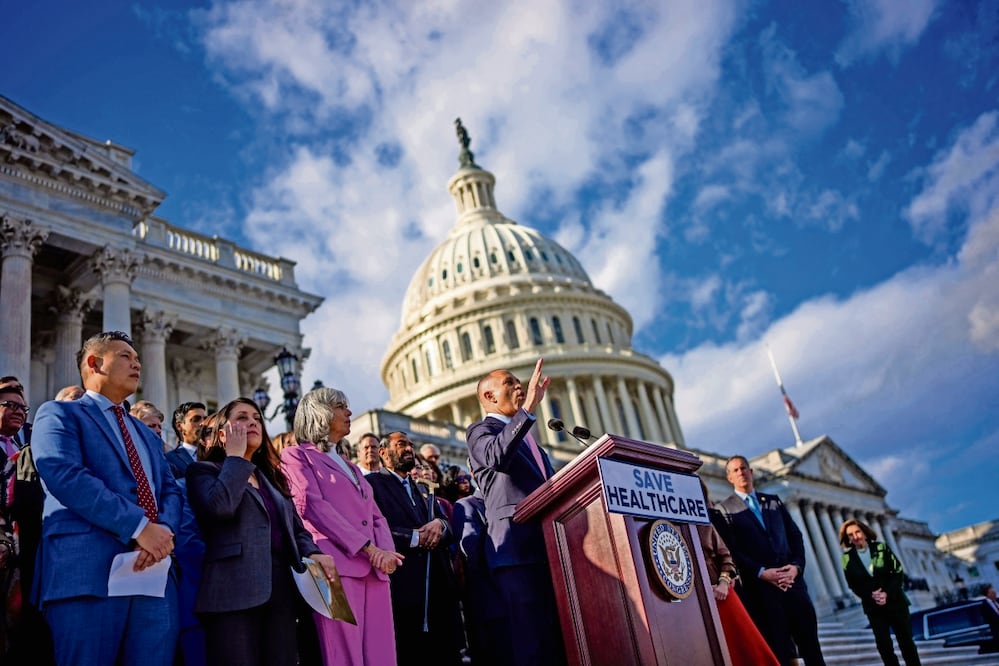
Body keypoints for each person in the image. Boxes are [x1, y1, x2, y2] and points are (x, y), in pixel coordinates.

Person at [32, 330, 183, 666]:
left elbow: (170, 490)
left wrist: (162, 534)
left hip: (153, 574)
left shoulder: (145, 433)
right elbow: (65, 474)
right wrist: (140, 526)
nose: (137, 363)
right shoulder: (59, 414)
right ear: (94, 362)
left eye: (137, 357)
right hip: (87, 573)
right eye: (125, 356)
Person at [185, 398, 337, 666]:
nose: (253, 422)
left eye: (256, 417)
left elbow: (296, 530)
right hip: (233, 594)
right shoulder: (203, 471)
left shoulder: (273, 478)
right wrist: (235, 457)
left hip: (283, 592)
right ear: (222, 433)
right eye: (242, 417)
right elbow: (220, 508)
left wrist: (314, 552)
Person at [281, 387, 402, 666]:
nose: (348, 412)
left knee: (382, 654)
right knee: (343, 655)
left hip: (376, 569)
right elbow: (311, 505)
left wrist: (386, 553)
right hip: (336, 568)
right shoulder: (296, 456)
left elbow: (376, 516)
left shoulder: (353, 467)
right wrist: (368, 548)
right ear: (320, 414)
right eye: (339, 406)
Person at [465, 358, 566, 666]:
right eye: (509, 382)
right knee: (530, 643)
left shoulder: (534, 445)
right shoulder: (480, 431)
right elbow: (496, 457)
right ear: (489, 397)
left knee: (557, 641)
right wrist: (528, 412)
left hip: (550, 547)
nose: (519, 385)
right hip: (516, 551)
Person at [714, 455, 825, 666]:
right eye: (735, 470)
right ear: (729, 477)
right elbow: (732, 551)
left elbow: (795, 537)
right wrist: (761, 572)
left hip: (794, 586)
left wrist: (796, 567)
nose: (741, 473)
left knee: (812, 650)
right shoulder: (725, 509)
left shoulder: (773, 501)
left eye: (743, 468)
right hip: (763, 593)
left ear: (751, 471)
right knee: (780, 653)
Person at [367, 431, 464, 666]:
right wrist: (415, 538)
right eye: (401, 444)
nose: (409, 449)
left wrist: (439, 525)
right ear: (383, 452)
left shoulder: (423, 486)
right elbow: (371, 528)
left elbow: (447, 527)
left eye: (410, 445)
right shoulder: (372, 484)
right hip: (405, 593)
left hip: (439, 593)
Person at [697, 479, 778, 666]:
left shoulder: (706, 523)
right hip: (693, 602)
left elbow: (727, 556)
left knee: (747, 653)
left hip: (721, 596)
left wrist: (724, 582)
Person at [451, 471, 513, 666]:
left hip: (516, 601)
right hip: (492, 604)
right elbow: (472, 553)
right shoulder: (466, 505)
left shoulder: (511, 500)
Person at [839, 519, 921, 666]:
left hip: (896, 601)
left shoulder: (881, 548)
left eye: (857, 532)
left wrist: (886, 594)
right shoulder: (847, 558)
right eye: (850, 535)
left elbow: (897, 572)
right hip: (873, 607)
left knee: (906, 642)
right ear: (848, 539)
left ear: (864, 532)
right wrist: (871, 595)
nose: (855, 536)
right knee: (884, 646)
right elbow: (853, 585)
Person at [166, 402, 207, 478]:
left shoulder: (215, 455)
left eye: (205, 419)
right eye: (196, 419)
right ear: (179, 426)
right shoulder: (169, 459)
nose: (203, 423)